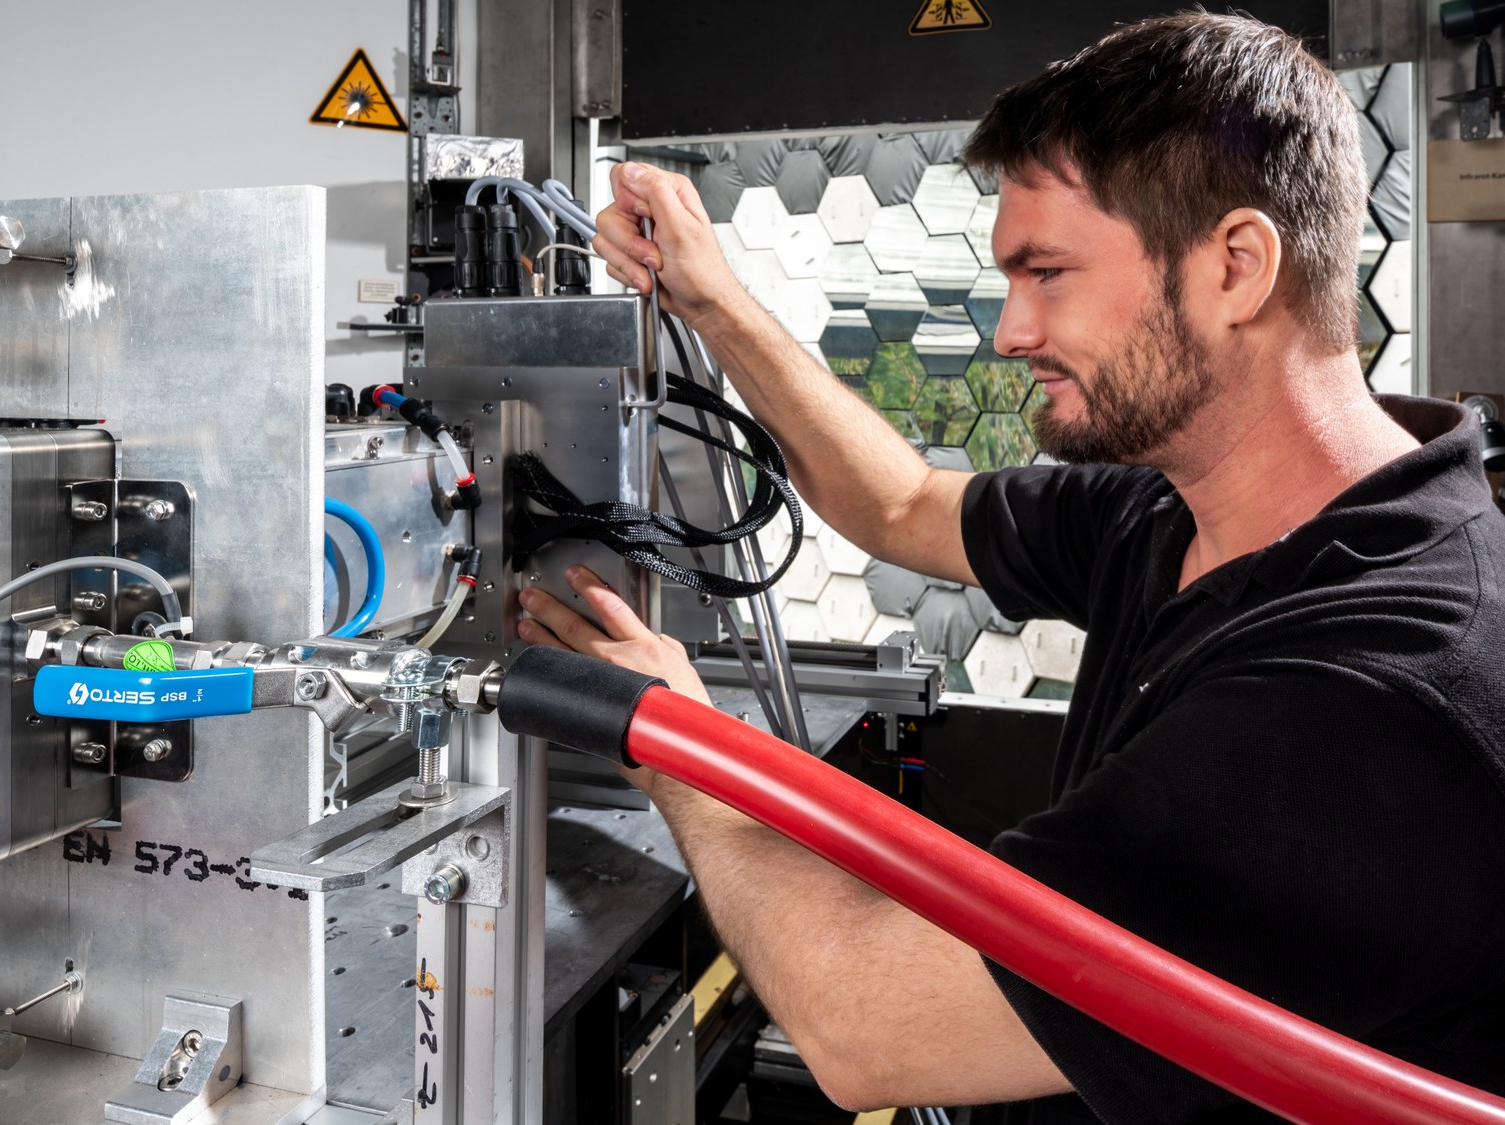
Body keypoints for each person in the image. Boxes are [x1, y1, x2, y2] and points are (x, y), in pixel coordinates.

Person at [516, 12, 1505, 1122]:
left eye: (1045, 274)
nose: (1008, 332)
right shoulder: (1180, 505)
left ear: (1235, 266)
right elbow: (902, 504)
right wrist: (713, 300)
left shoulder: (1371, 695)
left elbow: (865, 1029)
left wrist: (671, 739)